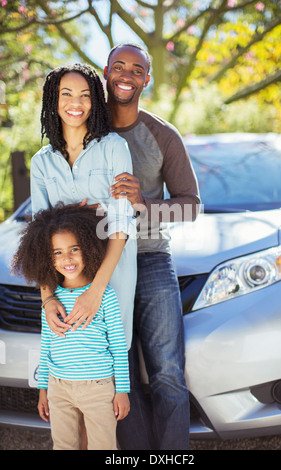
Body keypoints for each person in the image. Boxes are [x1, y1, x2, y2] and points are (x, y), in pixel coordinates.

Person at [104, 43, 200, 450]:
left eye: (136, 69)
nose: (127, 75)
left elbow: (191, 208)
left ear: (147, 78)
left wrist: (144, 204)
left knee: (167, 373)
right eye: (119, 66)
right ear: (105, 72)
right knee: (118, 374)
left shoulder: (162, 135)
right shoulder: (85, 131)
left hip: (151, 261)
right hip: (100, 268)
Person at [30, 63, 137, 349]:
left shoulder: (114, 148)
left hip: (113, 273)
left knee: (112, 355)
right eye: (66, 94)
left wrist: (96, 291)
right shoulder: (41, 162)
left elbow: (121, 221)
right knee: (72, 359)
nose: (75, 103)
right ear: (54, 100)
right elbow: (39, 235)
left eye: (85, 95)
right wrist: (48, 298)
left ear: (95, 102)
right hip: (64, 278)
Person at [11, 204, 130, 450]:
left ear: (88, 248)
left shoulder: (104, 296)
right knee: (63, 446)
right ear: (47, 258)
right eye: (57, 253)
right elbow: (46, 347)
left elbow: (118, 347)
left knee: (104, 447)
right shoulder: (51, 302)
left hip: (98, 388)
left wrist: (122, 391)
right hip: (59, 388)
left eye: (74, 249)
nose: (66, 259)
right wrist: (43, 389)